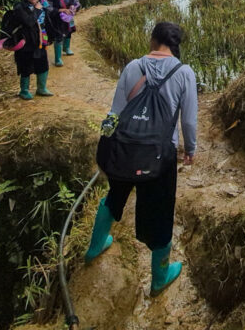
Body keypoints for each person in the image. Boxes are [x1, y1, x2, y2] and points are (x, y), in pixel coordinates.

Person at [85, 21, 198, 296]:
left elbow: (115, 112)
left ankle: (95, 247)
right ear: (174, 45)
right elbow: (189, 121)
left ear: (152, 39)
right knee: (160, 213)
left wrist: (107, 146)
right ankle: (159, 278)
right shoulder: (184, 73)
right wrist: (190, 150)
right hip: (161, 157)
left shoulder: (133, 66)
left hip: (125, 148)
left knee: (115, 195)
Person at [6, 0, 61, 100]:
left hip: (41, 39)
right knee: (25, 65)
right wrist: (36, 10)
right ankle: (24, 90)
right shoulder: (20, 7)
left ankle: (41, 88)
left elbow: (51, 15)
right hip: (26, 41)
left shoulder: (42, 4)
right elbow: (29, 22)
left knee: (42, 64)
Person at [47, 0, 81, 67]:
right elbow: (48, 7)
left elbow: (77, 2)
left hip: (68, 17)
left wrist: (73, 7)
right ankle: (58, 59)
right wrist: (60, 10)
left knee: (69, 32)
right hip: (57, 19)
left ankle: (66, 48)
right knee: (59, 36)